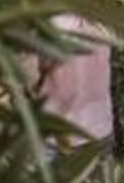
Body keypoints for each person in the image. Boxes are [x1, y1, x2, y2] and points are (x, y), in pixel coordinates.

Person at [29, 13, 115, 160]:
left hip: (56, 133)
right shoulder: (102, 25)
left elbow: (29, 81)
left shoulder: (49, 27)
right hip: (100, 130)